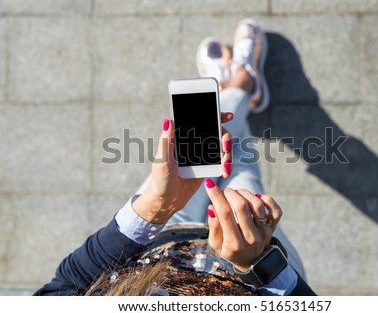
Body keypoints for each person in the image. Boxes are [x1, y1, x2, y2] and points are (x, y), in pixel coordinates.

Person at [34, 18, 315, 296]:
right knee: (241, 170)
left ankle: (239, 87)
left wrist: (154, 207)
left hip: (161, 235)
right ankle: (241, 85)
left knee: (218, 144)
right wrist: (258, 263)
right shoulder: (258, 262)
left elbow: (65, 285)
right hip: (256, 265)